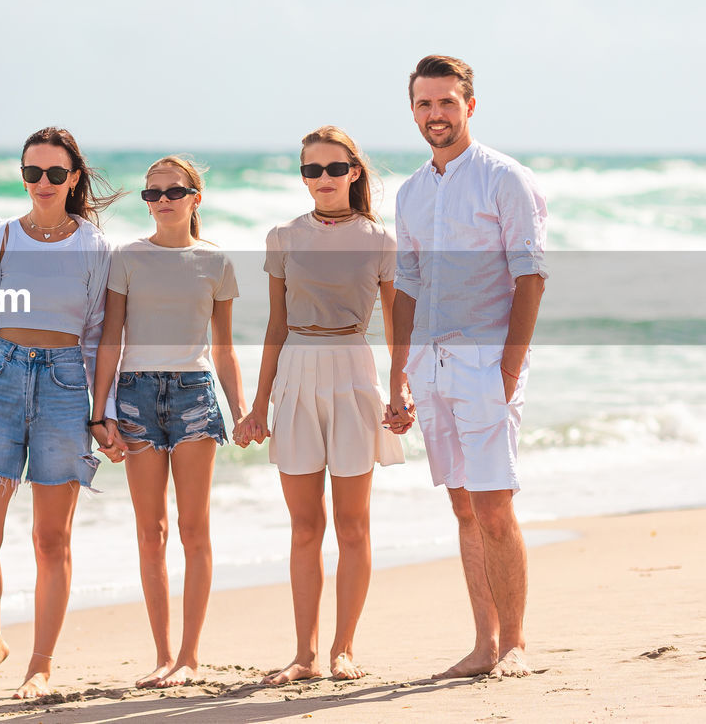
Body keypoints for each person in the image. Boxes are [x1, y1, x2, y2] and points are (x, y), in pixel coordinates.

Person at [386, 55, 547, 679]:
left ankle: (515, 645)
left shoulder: (505, 179)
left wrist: (508, 370)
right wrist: (399, 373)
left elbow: (530, 276)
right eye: (425, 105)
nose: (436, 115)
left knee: (494, 506)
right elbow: (407, 285)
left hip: (486, 362)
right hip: (430, 363)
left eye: (447, 103)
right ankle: (483, 645)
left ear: (469, 106)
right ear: (413, 111)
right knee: (462, 508)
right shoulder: (409, 192)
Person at [236, 126, 409, 685]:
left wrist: (400, 385)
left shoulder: (380, 241)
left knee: (353, 526)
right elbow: (275, 325)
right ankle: (304, 655)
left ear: (354, 172)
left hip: (354, 371)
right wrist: (257, 404)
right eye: (312, 170)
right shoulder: (283, 237)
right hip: (296, 373)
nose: (324, 180)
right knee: (305, 527)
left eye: (335, 169)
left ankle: (344, 649)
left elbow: (396, 322)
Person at [0, 127, 118, 699]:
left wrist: (103, 412)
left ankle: (40, 664)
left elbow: (97, 335)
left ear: (73, 178)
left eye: (53, 173)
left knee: (51, 540)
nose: (41, 183)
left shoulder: (94, 246)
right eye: (31, 173)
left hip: (65, 385)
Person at [90, 155, 248, 688]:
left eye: (173, 192)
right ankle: (161, 655)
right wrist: (100, 411)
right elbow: (111, 338)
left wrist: (242, 409)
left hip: (194, 397)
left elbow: (224, 350)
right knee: (150, 531)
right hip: (134, 398)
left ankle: (190, 655)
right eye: (152, 194)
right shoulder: (126, 258)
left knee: (193, 528)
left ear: (194, 199)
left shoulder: (216, 261)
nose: (161, 202)